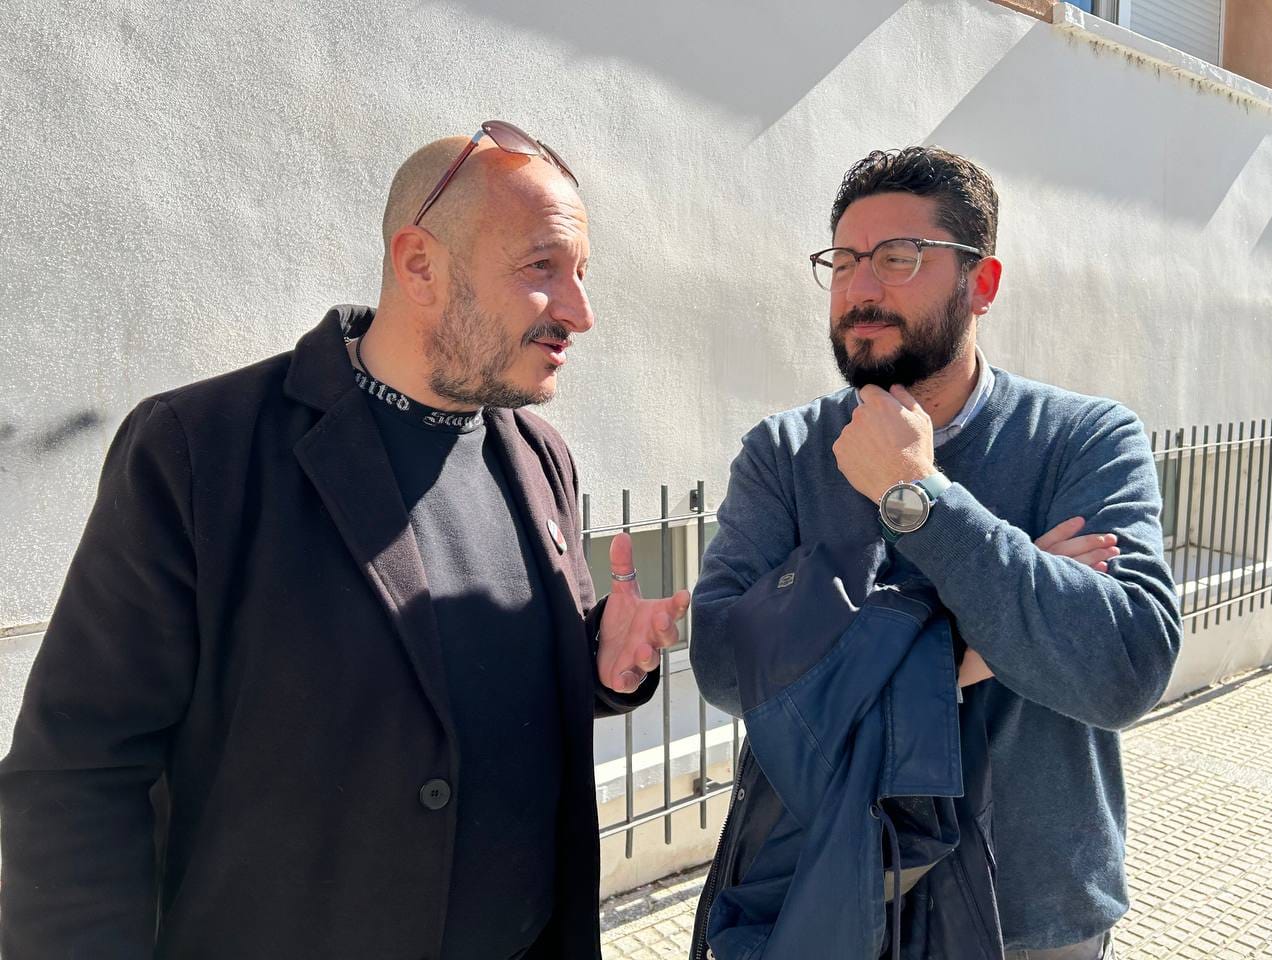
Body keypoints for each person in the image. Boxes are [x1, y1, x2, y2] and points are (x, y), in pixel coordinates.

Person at [0, 120, 690, 960]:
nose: (580, 312)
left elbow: (482, 690)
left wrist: (602, 668)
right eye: (542, 267)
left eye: (582, 273)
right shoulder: (199, 450)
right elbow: (79, 774)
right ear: (419, 264)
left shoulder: (542, 456)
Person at [690, 146, 1181, 959]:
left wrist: (919, 497)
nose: (861, 288)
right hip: (830, 897)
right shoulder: (784, 453)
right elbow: (721, 662)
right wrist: (969, 644)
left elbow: (1124, 665)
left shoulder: (1083, 439)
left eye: (898, 257)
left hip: (1033, 915)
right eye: (844, 261)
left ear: (980, 284)